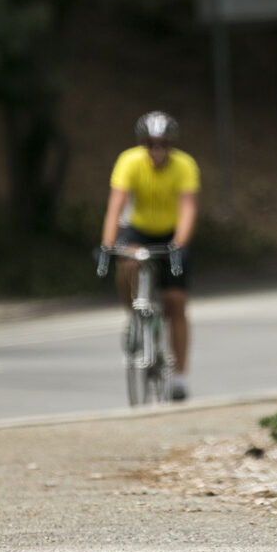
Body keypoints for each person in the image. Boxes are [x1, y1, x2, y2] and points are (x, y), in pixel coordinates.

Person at [101, 111, 200, 400]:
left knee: (175, 302)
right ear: (142, 144)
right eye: (151, 144)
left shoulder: (184, 165)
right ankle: (133, 314)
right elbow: (115, 207)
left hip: (171, 233)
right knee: (127, 261)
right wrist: (108, 243)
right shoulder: (129, 161)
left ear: (171, 145)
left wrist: (179, 243)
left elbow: (188, 209)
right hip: (138, 229)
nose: (157, 150)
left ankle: (180, 377)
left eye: (163, 144)